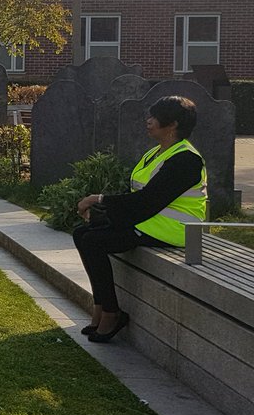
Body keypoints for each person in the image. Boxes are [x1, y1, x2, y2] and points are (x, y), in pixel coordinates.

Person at [73, 95, 207, 343]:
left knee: (93, 241)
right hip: (149, 222)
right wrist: (102, 211)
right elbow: (138, 198)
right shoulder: (158, 153)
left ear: (173, 124)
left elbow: (147, 202)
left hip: (173, 231)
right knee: (82, 234)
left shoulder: (186, 159)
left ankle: (112, 313)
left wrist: (98, 200)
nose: (148, 121)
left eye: (154, 117)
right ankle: (102, 306)